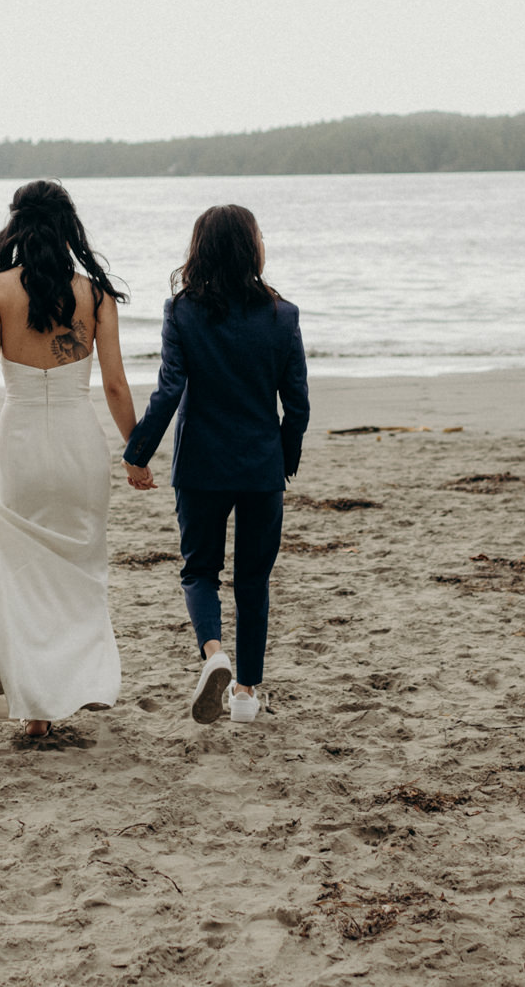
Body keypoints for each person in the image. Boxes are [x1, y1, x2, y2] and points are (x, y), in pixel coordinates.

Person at [0, 181, 137, 739]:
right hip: (79, 443)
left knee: (23, 572)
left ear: (17, 225)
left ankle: (37, 711)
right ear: (68, 225)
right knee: (80, 569)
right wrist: (136, 453)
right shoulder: (94, 295)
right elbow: (117, 386)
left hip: (20, 443)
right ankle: (73, 681)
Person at [122, 204, 309, 725]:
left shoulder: (181, 312)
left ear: (198, 250)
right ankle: (246, 694)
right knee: (253, 581)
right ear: (252, 248)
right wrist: (284, 460)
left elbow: (169, 391)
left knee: (199, 570)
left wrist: (137, 454)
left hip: (201, 465)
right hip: (259, 468)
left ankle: (214, 655)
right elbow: (297, 404)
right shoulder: (282, 315)